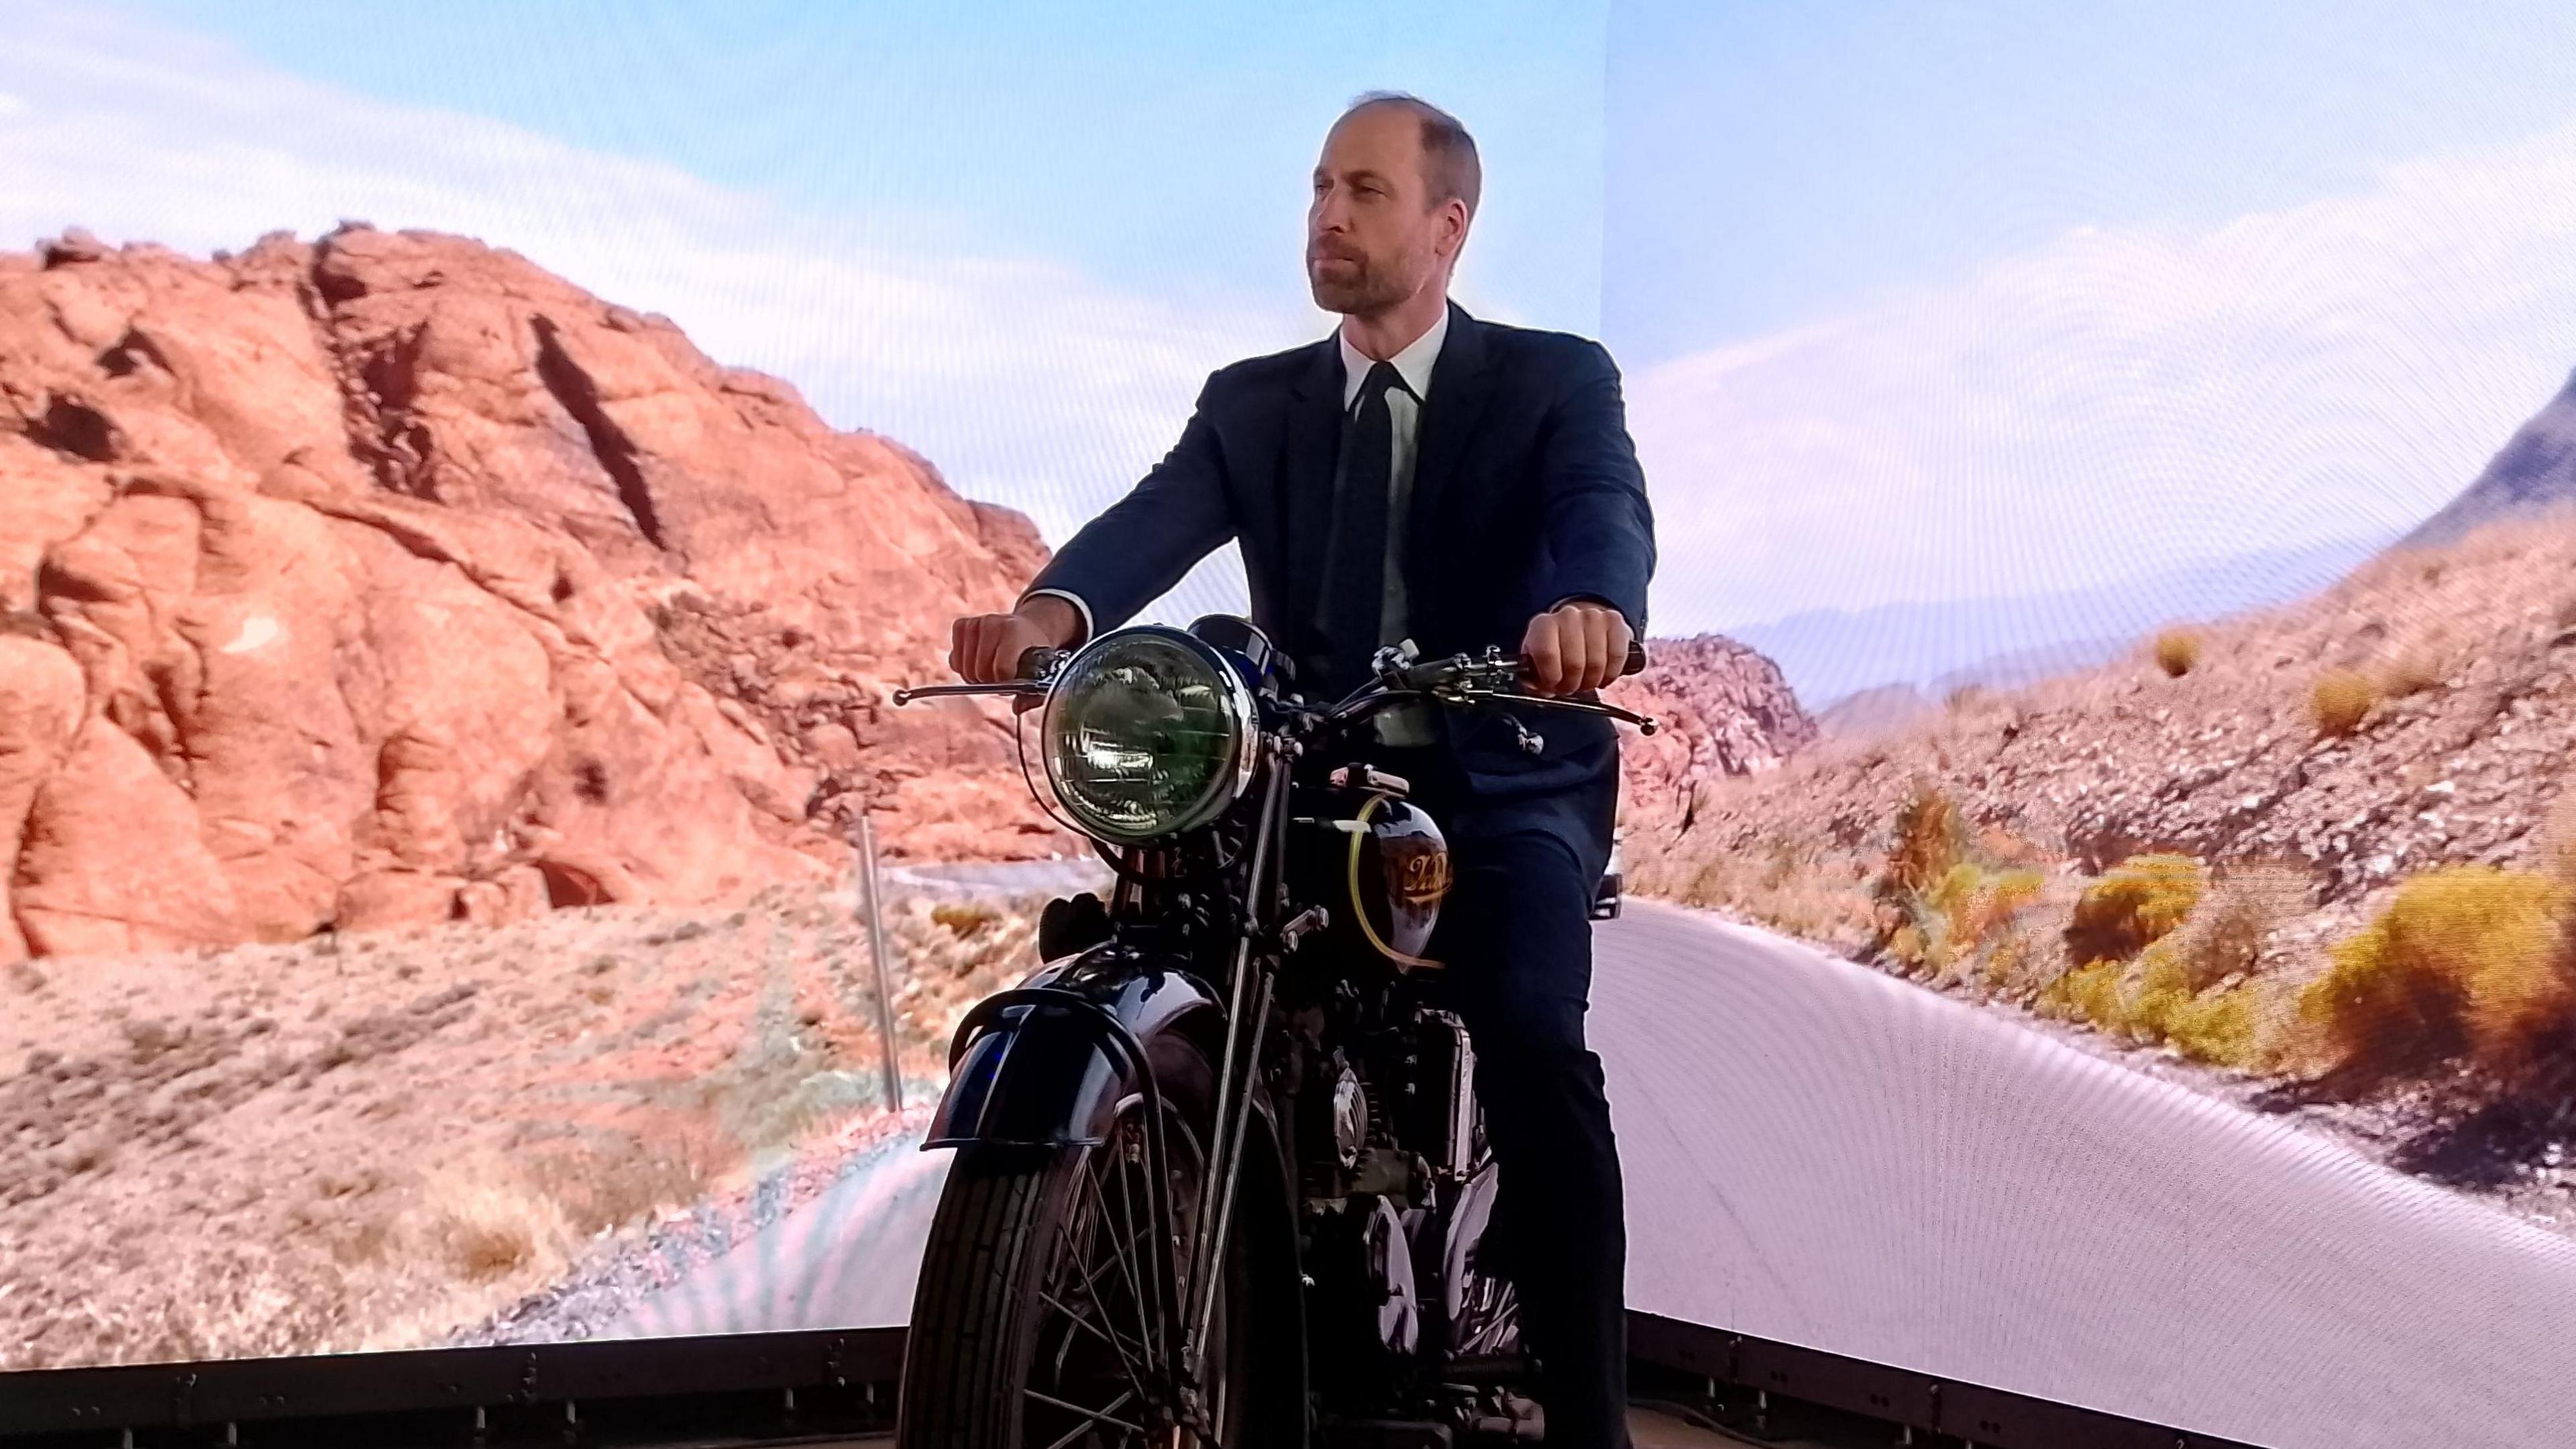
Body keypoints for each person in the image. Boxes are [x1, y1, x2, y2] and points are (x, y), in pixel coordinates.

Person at [947, 91, 1655, 1447]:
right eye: (1321, 187)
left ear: (1448, 228)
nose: (1329, 215)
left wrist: (1590, 612)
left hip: (1497, 780)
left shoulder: (1556, 382)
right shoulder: (1253, 403)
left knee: (1525, 1028)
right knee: (1156, 948)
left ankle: (1591, 1426)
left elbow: (1599, 514)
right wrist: (1052, 613)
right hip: (1300, 782)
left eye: (1367, 192)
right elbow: (1152, 518)